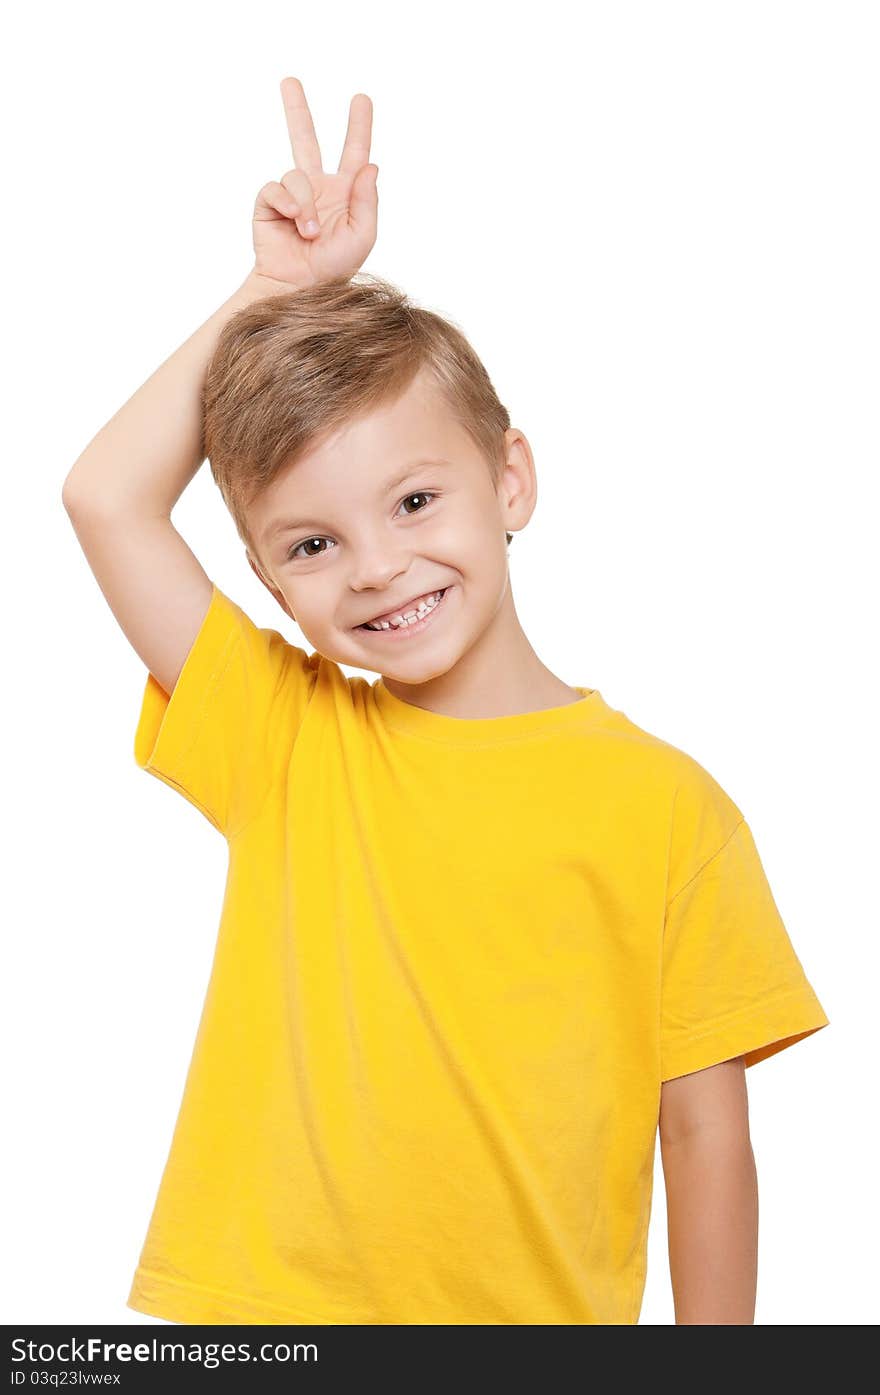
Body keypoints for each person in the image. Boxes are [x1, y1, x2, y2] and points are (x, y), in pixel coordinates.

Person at [62, 76, 829, 1327]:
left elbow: (703, 1136)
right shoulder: (285, 734)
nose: (373, 567)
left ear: (508, 478)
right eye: (308, 545)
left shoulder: (671, 808)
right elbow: (105, 498)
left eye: (414, 503)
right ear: (263, 576)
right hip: (262, 1330)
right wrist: (276, 293)